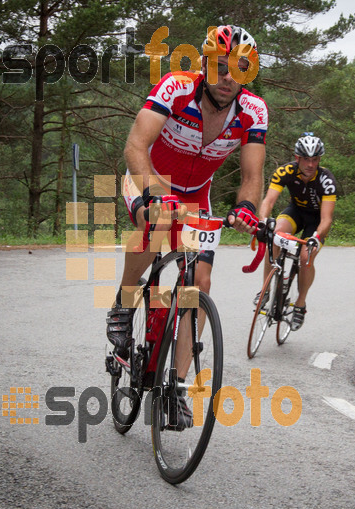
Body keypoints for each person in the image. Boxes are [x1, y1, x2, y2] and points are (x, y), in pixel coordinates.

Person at [105, 25, 267, 425]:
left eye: (240, 68)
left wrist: (247, 209)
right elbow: (135, 146)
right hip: (149, 178)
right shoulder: (175, 87)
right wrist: (152, 193)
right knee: (156, 223)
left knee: (199, 284)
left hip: (197, 193)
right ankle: (125, 303)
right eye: (221, 66)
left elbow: (251, 176)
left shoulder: (254, 111)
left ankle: (174, 387)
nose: (229, 77)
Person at [256, 133, 337, 330]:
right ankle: (266, 288)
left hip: (316, 221)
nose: (310, 164)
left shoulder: (326, 180)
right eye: (306, 159)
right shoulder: (285, 171)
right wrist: (263, 222)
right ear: (297, 157)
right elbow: (268, 201)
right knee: (274, 236)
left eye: (315, 159)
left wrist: (316, 238)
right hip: (296, 212)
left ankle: (300, 303)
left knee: (305, 257)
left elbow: (327, 219)